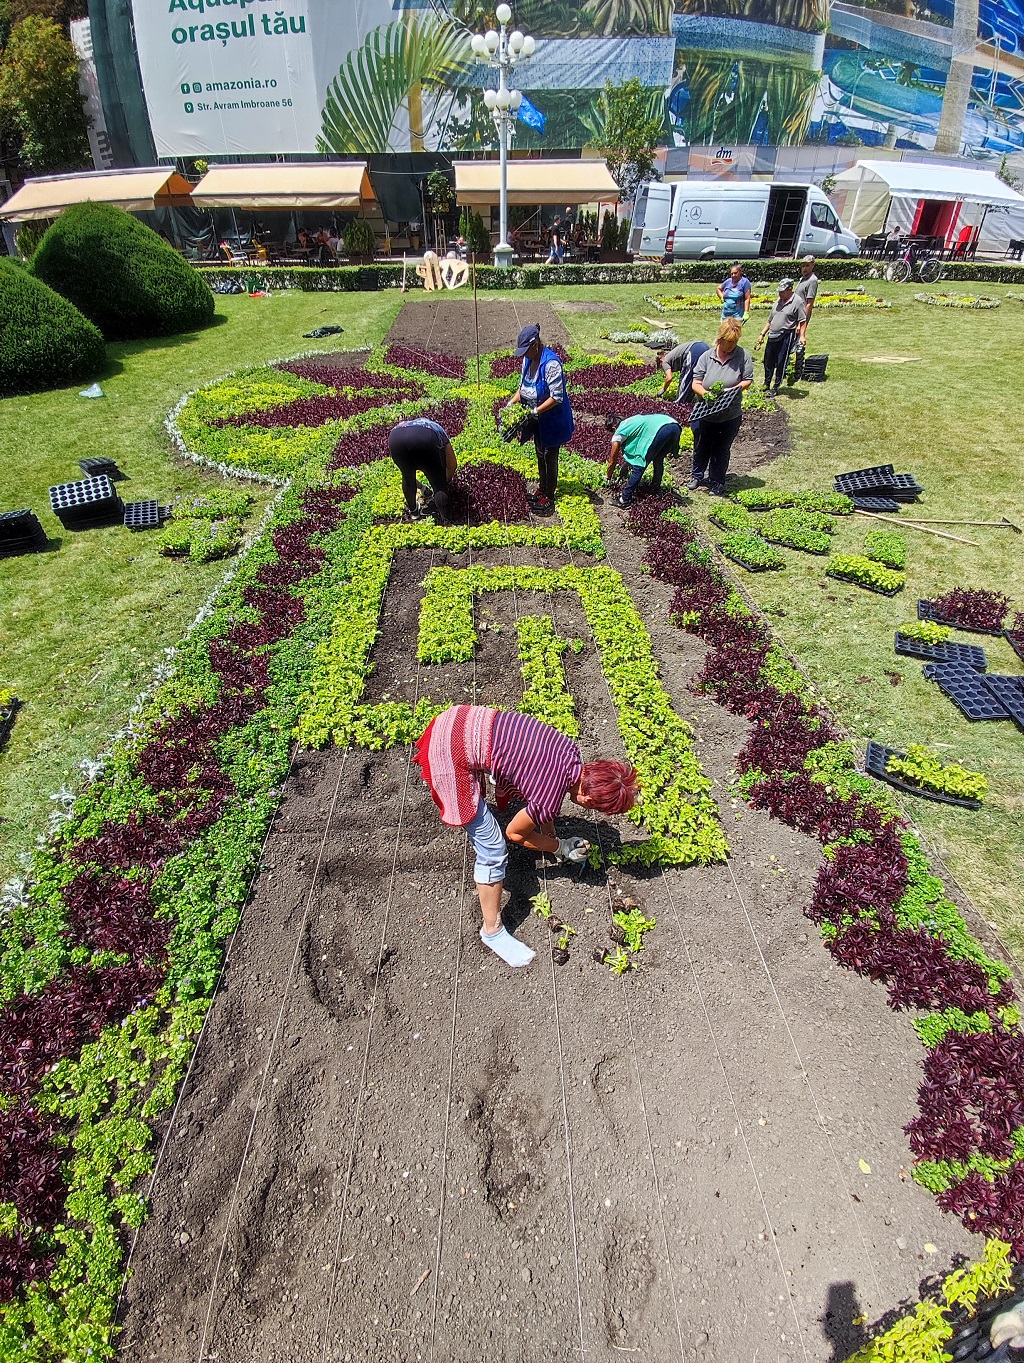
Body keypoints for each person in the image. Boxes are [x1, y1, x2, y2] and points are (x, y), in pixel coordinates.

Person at [414, 705, 638, 967]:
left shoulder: (569, 751)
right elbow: (515, 833)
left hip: (458, 719)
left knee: (520, 814)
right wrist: (561, 847)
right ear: (588, 798)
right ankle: (492, 932)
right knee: (493, 848)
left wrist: (549, 833)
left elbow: (543, 788)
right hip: (447, 750)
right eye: (595, 807)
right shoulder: (550, 795)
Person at [504, 324, 574, 516]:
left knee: (550, 457)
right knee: (539, 453)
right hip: (537, 420)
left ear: (535, 345)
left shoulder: (551, 364)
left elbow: (556, 397)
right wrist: (511, 403)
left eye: (526, 350)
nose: (524, 355)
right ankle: (542, 488)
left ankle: (549, 494)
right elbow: (523, 388)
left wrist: (535, 410)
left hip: (552, 420)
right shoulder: (528, 360)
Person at [689, 318, 754, 495]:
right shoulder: (706, 357)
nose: (732, 345)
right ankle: (697, 475)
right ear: (720, 339)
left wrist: (732, 390)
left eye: (735, 342)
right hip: (706, 412)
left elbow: (747, 380)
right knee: (701, 445)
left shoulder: (743, 356)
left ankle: (717, 481)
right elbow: (696, 383)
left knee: (721, 448)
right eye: (729, 342)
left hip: (729, 414)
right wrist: (705, 394)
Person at [387, 416, 457, 523]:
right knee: (439, 485)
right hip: (424, 438)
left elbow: (406, 473)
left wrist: (422, 487)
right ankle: (448, 523)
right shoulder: (437, 428)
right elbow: (452, 464)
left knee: (407, 477)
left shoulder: (402, 425)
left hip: (395, 438)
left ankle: (414, 513)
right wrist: (444, 482)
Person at [603, 413, 682, 508]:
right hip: (674, 425)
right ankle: (655, 487)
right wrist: (626, 467)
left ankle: (624, 500)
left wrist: (608, 477)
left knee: (639, 465)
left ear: (614, 428)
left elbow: (613, 460)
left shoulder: (619, 432)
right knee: (658, 459)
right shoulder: (631, 421)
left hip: (661, 429)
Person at [754, 278, 806, 396]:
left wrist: (802, 336)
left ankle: (776, 386)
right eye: (779, 291)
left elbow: (802, 321)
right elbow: (770, 320)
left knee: (781, 362)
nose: (780, 294)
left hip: (786, 335)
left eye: (782, 291)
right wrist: (762, 334)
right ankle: (766, 384)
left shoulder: (797, 301)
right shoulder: (778, 301)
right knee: (768, 361)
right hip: (772, 335)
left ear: (790, 289)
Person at [793, 255, 818, 332]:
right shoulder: (803, 279)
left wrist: (801, 323)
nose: (804, 268)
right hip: (794, 315)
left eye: (807, 266)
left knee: (797, 341)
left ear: (813, 266)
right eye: (803, 266)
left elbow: (809, 303)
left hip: (800, 317)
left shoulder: (812, 280)